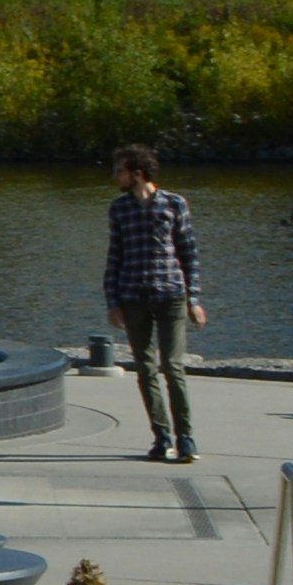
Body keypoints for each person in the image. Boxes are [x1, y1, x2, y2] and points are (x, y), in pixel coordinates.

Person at [103, 143, 206, 465]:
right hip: (133, 297)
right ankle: (161, 438)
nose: (115, 176)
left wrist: (195, 299)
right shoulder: (119, 209)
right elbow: (114, 257)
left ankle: (186, 438)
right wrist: (112, 301)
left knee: (172, 367)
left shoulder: (174, 204)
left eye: (119, 170)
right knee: (145, 370)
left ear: (137, 173)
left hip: (171, 295)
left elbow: (189, 253)